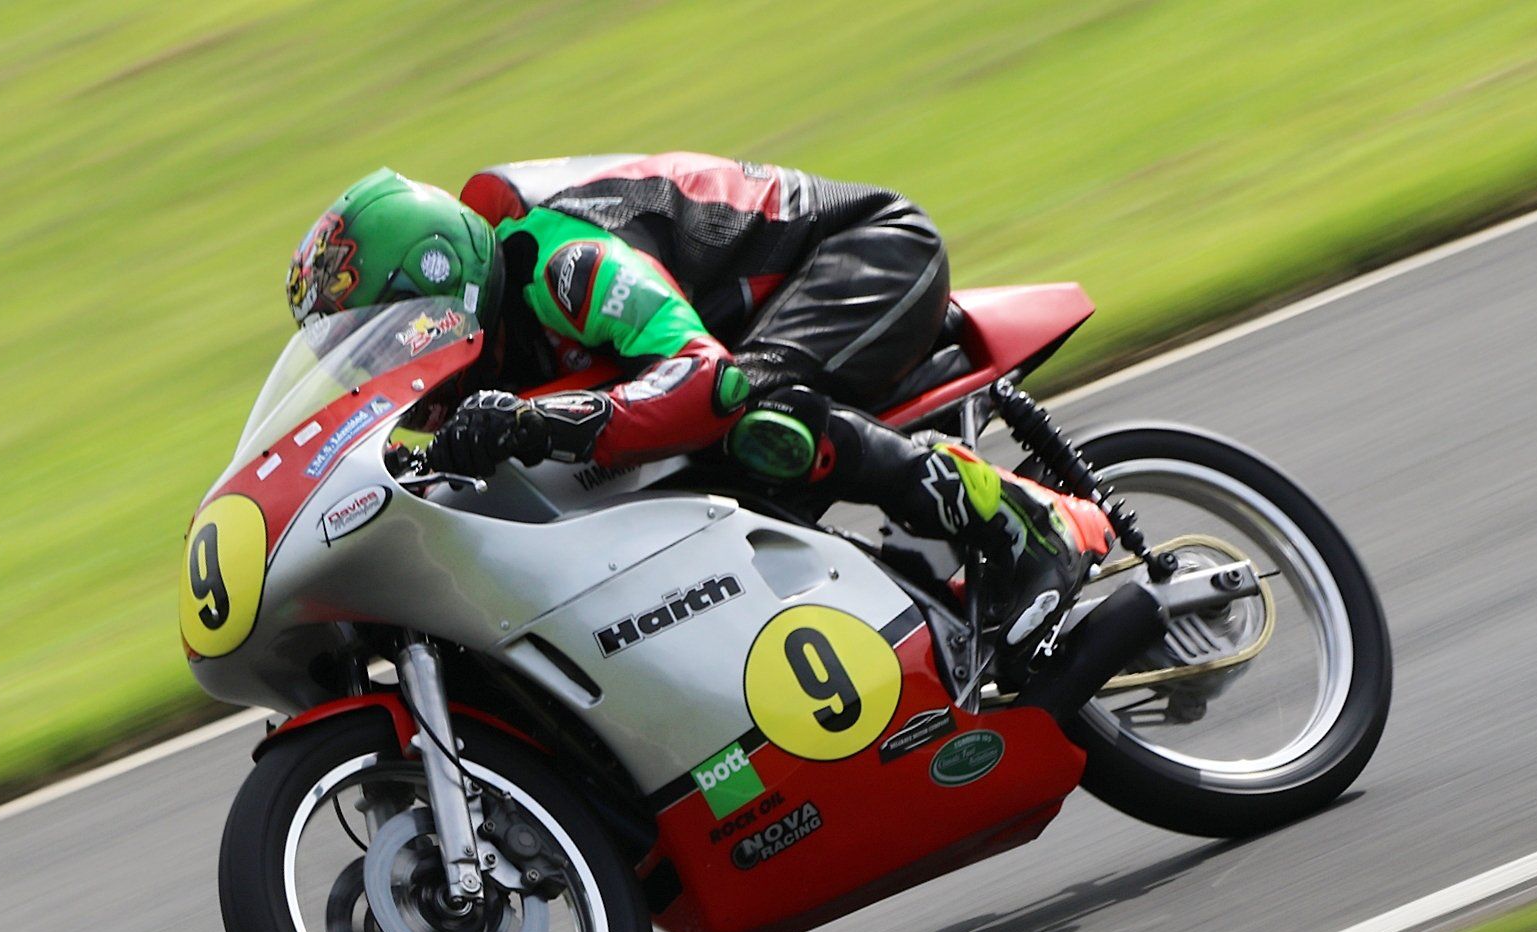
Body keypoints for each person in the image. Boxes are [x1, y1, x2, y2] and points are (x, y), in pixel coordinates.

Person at [285, 153, 1113, 670]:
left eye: (382, 337)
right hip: (745, 333)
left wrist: (541, 424)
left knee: (754, 418)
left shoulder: (559, 256)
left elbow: (701, 378)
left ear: (440, 286)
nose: (375, 365)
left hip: (863, 256)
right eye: (355, 354)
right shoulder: (476, 370)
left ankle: (1025, 523)